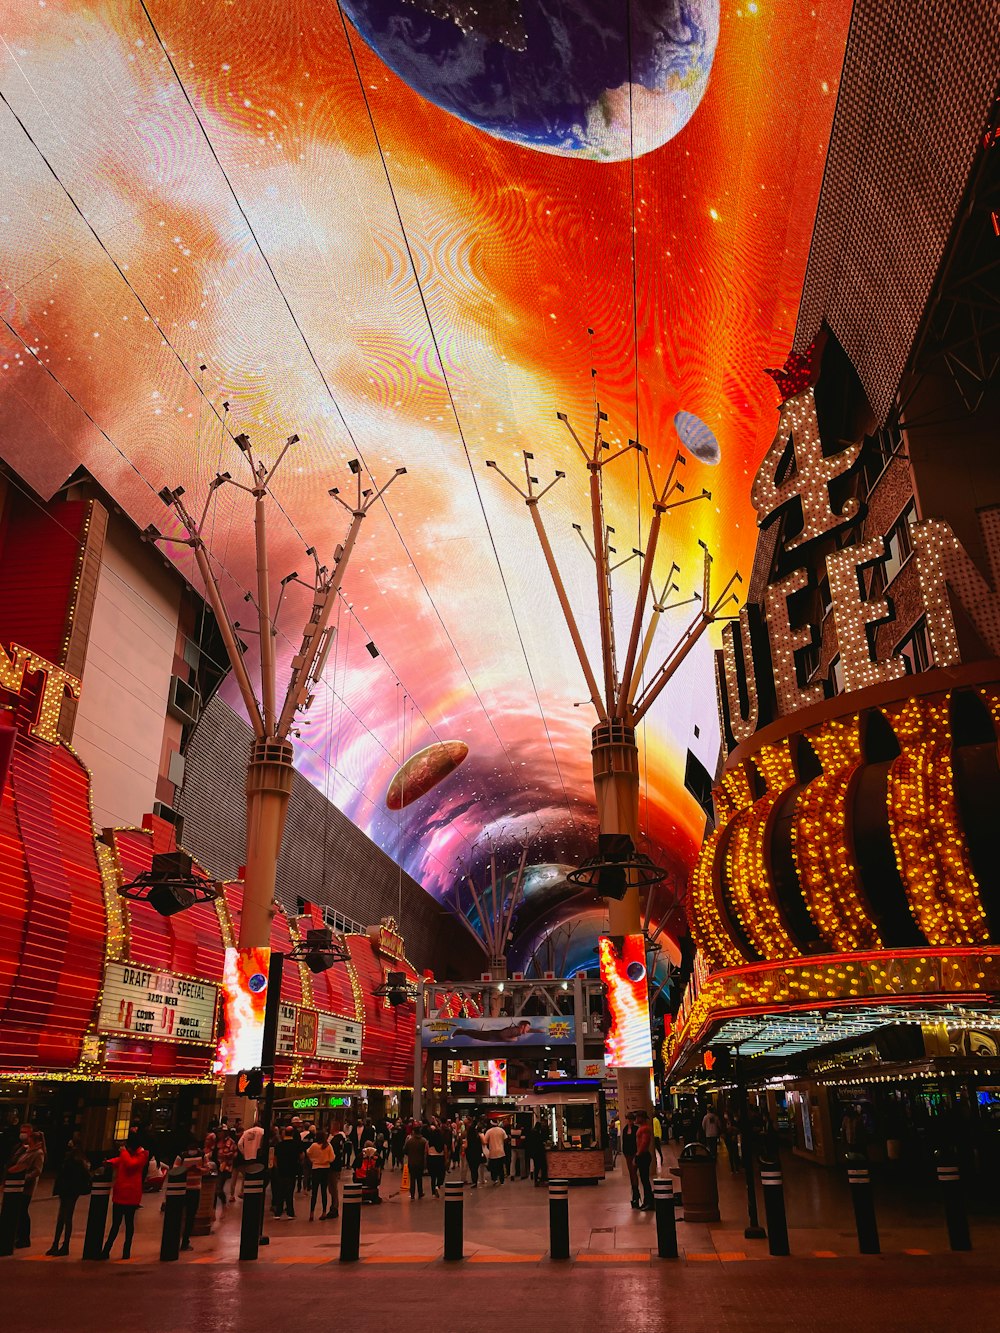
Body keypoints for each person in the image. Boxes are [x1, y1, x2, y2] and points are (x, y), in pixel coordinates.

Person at [103, 1131, 149, 1260]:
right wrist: (110, 1162)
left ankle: (125, 1250)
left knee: (128, 1224)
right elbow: (122, 1161)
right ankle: (107, 1249)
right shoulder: (133, 1154)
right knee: (117, 1224)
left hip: (130, 1194)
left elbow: (130, 1164)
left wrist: (122, 1152)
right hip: (122, 1193)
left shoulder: (142, 1155)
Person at [47, 1137, 91, 1256]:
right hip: (72, 1190)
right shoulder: (81, 1157)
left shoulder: (72, 1157)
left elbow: (65, 1173)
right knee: (66, 1217)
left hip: (67, 1189)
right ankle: (62, 1244)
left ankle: (59, 1244)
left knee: (63, 1217)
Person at [5, 1128, 45, 1248]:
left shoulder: (38, 1153)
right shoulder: (28, 1150)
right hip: (18, 1185)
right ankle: (17, 1236)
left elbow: (37, 1170)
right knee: (18, 1211)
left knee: (22, 1211)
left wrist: (24, 1177)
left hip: (26, 1187)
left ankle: (24, 1238)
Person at [174, 1136, 209, 1251]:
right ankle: (180, 1241)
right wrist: (186, 1170)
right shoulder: (182, 1156)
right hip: (184, 1188)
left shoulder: (202, 1155)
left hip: (194, 1188)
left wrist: (199, 1170)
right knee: (183, 1216)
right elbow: (175, 1170)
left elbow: (207, 1169)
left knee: (190, 1216)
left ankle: (185, 1241)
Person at [272, 1126, 302, 1219]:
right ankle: (290, 1212)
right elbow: (301, 1156)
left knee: (280, 1191)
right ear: (293, 1133)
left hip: (281, 1171)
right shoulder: (296, 1144)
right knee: (290, 1192)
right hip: (292, 1170)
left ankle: (278, 1212)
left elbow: (275, 1159)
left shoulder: (279, 1145)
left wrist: (277, 1167)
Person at [307, 1129, 334, 1221]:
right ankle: (324, 1212)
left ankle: (311, 1213)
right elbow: (332, 1158)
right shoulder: (328, 1146)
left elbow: (308, 1153)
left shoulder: (314, 1146)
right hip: (325, 1169)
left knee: (314, 1192)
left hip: (316, 1168)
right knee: (323, 1191)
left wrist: (313, 1160)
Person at [634, 1111, 654, 1211]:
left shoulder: (644, 1129)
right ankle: (647, 1201)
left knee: (645, 1180)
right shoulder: (642, 1128)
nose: (636, 1119)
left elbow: (644, 1142)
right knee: (644, 1179)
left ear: (642, 1118)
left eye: (637, 1117)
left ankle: (649, 1201)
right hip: (642, 1155)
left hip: (643, 1155)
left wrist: (638, 1154)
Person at [404, 1123, 427, 1200]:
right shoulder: (423, 1141)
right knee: (419, 1178)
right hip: (420, 1162)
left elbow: (405, 1150)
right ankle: (420, 1193)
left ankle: (412, 1194)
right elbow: (426, 1152)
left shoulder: (410, 1141)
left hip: (411, 1162)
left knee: (412, 1179)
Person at [621, 1112, 640, 1208]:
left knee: (634, 1173)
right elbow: (624, 1142)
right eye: (628, 1119)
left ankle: (636, 1193)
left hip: (634, 1153)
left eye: (630, 1119)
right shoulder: (624, 1130)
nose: (629, 1121)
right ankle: (635, 1194)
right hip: (627, 1154)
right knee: (631, 1174)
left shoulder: (636, 1129)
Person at [214, 1130, 236, 1208]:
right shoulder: (216, 1141)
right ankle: (214, 1205)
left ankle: (223, 1201)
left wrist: (225, 1155)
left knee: (218, 1187)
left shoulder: (230, 1142)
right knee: (215, 1187)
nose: (219, 1133)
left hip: (224, 1167)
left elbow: (234, 1153)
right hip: (215, 1166)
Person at [425, 1118, 445, 1197]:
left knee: (433, 1177)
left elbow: (426, 1150)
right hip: (440, 1158)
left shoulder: (430, 1140)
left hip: (431, 1158)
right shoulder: (441, 1140)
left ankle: (433, 1192)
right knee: (440, 1174)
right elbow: (445, 1149)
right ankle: (438, 1186)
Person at [483, 1120, 508, 1184]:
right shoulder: (502, 1130)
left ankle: (495, 1179)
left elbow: (485, 1141)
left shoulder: (489, 1131)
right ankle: (502, 1180)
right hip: (501, 1152)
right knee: (501, 1167)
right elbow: (506, 1139)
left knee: (493, 1167)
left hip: (493, 1152)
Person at [525, 1118, 546, 1186]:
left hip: (534, 1153)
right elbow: (540, 1142)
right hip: (539, 1152)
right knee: (543, 1166)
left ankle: (536, 1179)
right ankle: (542, 1179)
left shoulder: (531, 1133)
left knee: (536, 1166)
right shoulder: (537, 1133)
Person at [464, 1117, 483, 1188]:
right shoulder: (477, 1135)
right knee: (475, 1168)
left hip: (470, 1153)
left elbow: (467, 1144)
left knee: (472, 1168)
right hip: (477, 1153)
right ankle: (475, 1181)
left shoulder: (469, 1134)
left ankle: (474, 1181)